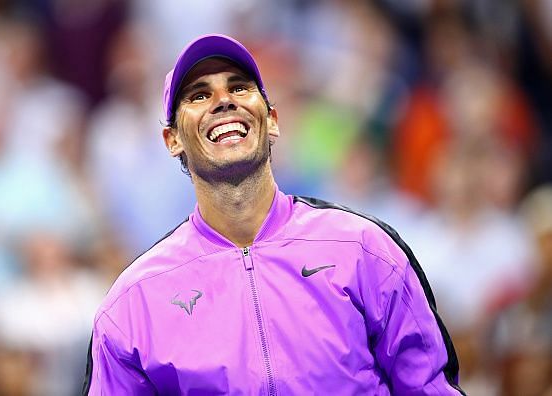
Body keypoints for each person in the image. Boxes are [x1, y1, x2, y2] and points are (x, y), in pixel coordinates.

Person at [83, 34, 465, 395]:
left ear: (273, 120)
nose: (223, 100)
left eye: (239, 88)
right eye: (199, 94)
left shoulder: (365, 249)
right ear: (173, 140)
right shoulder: (134, 302)